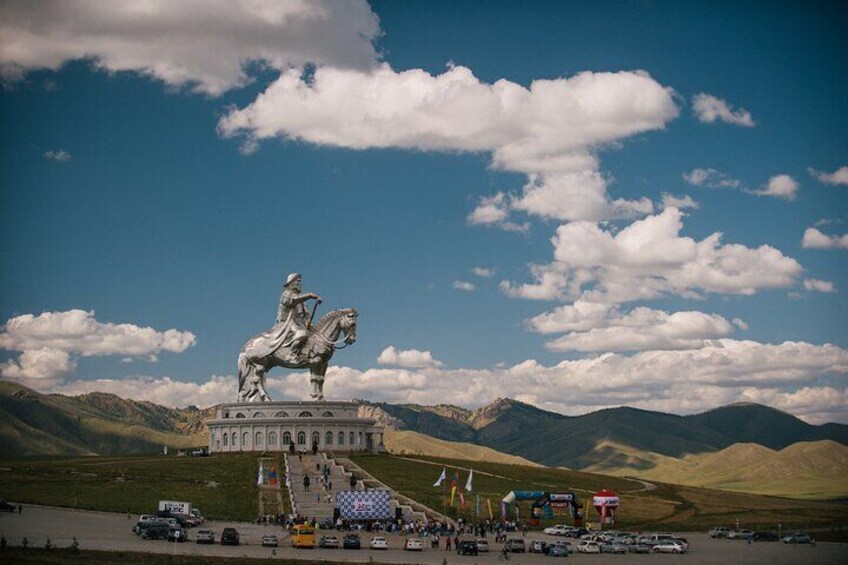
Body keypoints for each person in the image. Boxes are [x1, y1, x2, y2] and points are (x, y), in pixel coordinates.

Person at [276, 273, 321, 362]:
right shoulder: (286, 294)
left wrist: (309, 323)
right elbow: (293, 300)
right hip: (286, 322)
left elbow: (305, 314)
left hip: (298, 323)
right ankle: (291, 354)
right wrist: (310, 295)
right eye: (298, 281)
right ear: (291, 282)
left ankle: (307, 354)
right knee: (302, 333)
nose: (300, 283)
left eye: (300, 282)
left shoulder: (302, 300)